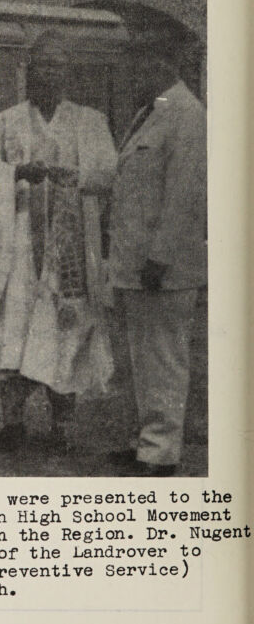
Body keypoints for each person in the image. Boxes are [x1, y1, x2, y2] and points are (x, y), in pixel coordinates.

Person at [0, 31, 117, 455]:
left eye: (57, 64)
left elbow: (107, 174)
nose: (49, 71)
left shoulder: (89, 121)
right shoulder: (6, 121)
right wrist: (15, 174)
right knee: (15, 330)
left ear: (68, 72)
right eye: (42, 64)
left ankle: (62, 428)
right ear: (30, 71)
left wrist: (72, 177)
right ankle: (12, 424)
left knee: (64, 333)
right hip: (19, 250)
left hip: (68, 249)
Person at [107, 28, 207, 475]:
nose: (131, 75)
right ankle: (143, 442)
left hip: (162, 266)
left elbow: (184, 196)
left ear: (161, 65)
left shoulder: (186, 114)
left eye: (138, 65)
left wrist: (160, 257)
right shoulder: (154, 112)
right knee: (139, 360)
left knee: (163, 359)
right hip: (135, 263)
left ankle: (161, 454)